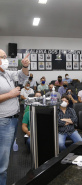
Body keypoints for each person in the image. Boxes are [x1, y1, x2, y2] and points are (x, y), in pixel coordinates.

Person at [0, 50, 30, 185]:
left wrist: (24, 66)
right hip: (3, 121)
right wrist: (10, 95)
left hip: (12, 120)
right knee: (2, 162)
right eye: (3, 57)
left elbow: (21, 76)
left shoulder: (5, 73)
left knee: (5, 158)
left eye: (6, 57)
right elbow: (10, 94)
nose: (6, 59)